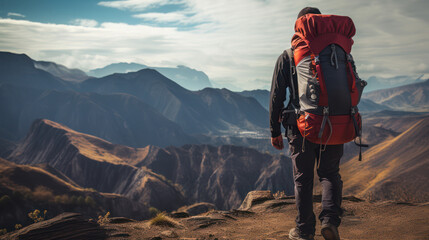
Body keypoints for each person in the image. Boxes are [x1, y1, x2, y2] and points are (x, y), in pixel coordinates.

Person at [269, 7, 344, 240]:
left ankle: (304, 230)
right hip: (334, 124)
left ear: (299, 26)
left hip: (301, 127)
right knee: (330, 173)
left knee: (303, 179)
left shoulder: (290, 56)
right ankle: (330, 221)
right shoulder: (337, 52)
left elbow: (276, 96)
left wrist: (275, 130)